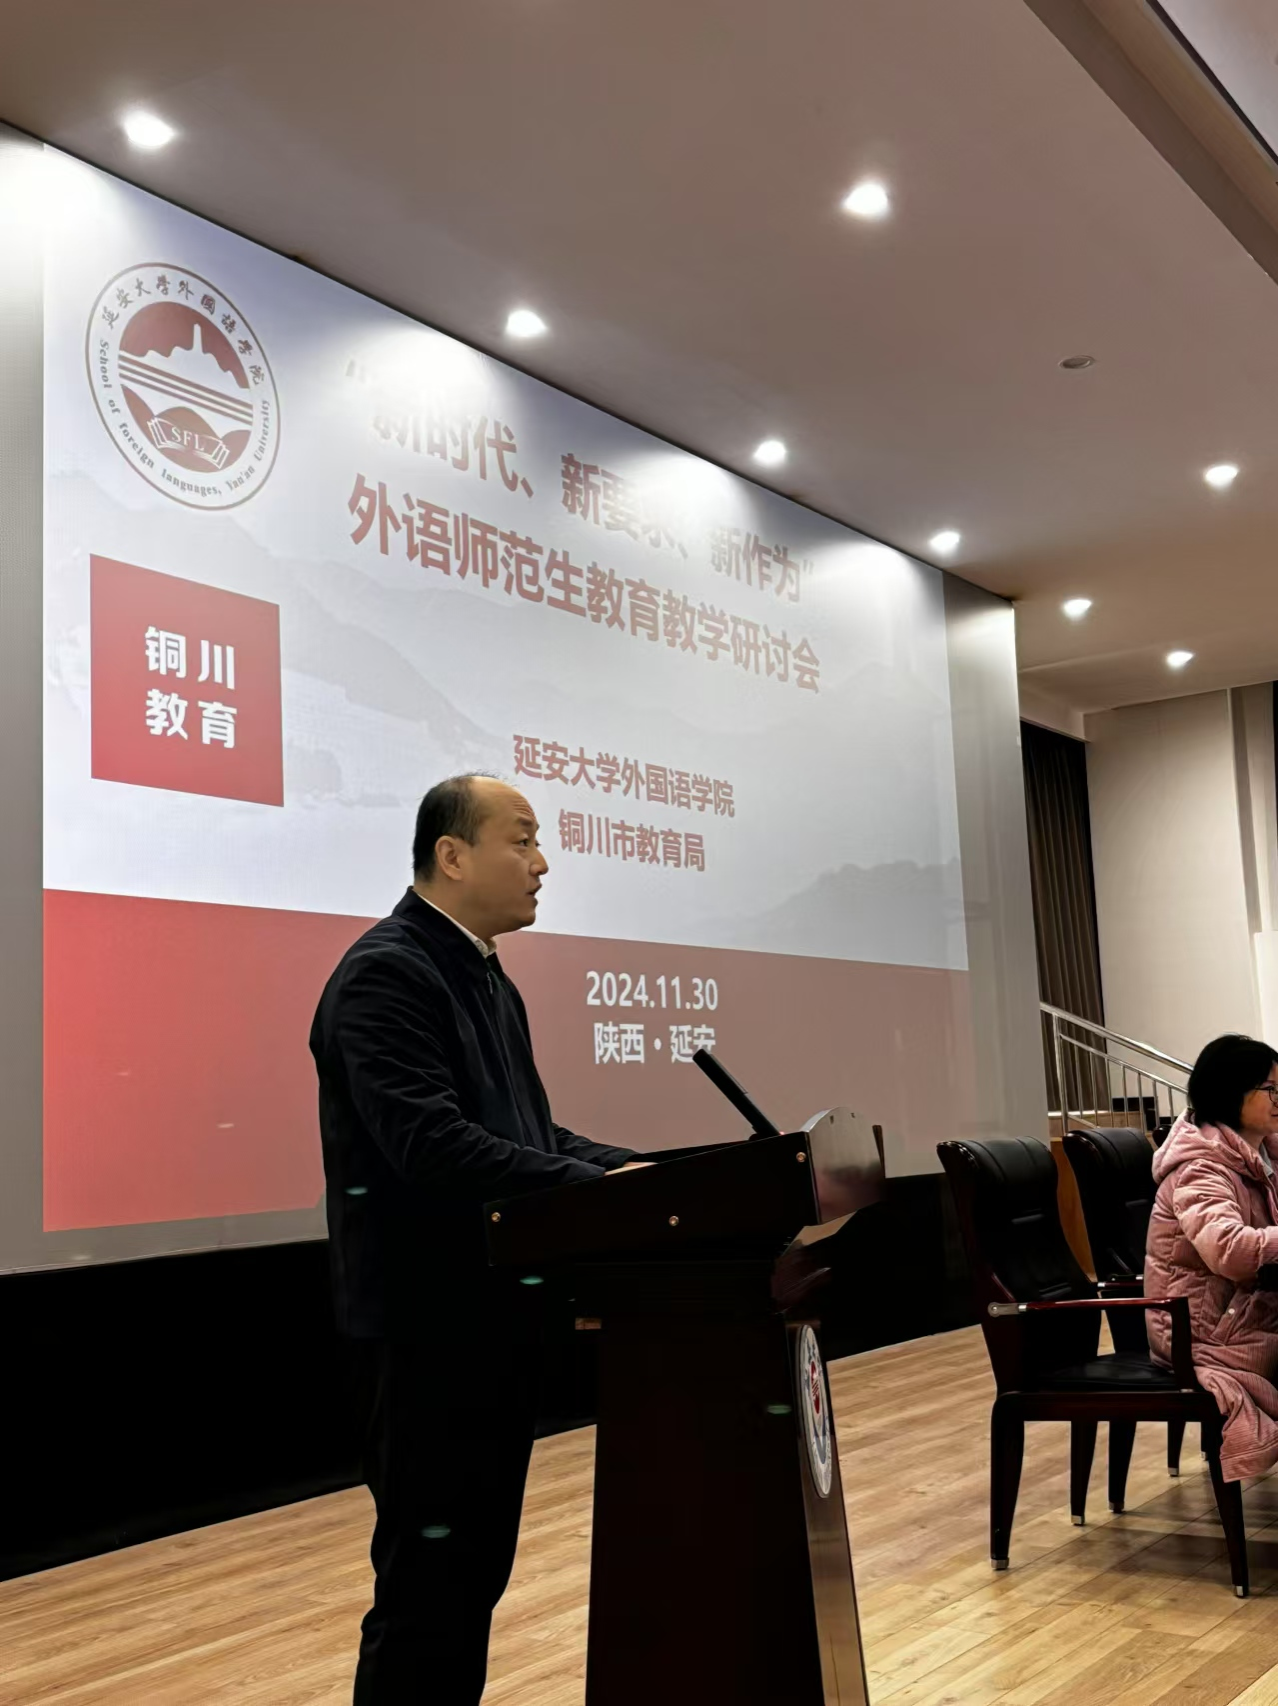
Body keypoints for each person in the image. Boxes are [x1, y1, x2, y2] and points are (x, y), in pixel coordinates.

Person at [310, 774, 640, 1704]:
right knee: (428, 1591)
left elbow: (531, 1133)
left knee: (469, 1582)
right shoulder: (387, 972)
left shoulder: (484, 975)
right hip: (426, 1332)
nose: (543, 864)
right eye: (522, 840)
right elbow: (433, 1145)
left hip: (490, 1325)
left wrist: (636, 1172)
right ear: (451, 856)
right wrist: (598, 1185)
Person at [1145, 1033, 1278, 1482]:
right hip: (1203, 1333)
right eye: (1271, 1089)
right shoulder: (1201, 1166)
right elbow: (1231, 1251)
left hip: (1244, 1313)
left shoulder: (1261, 1153)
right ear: (1230, 1092)